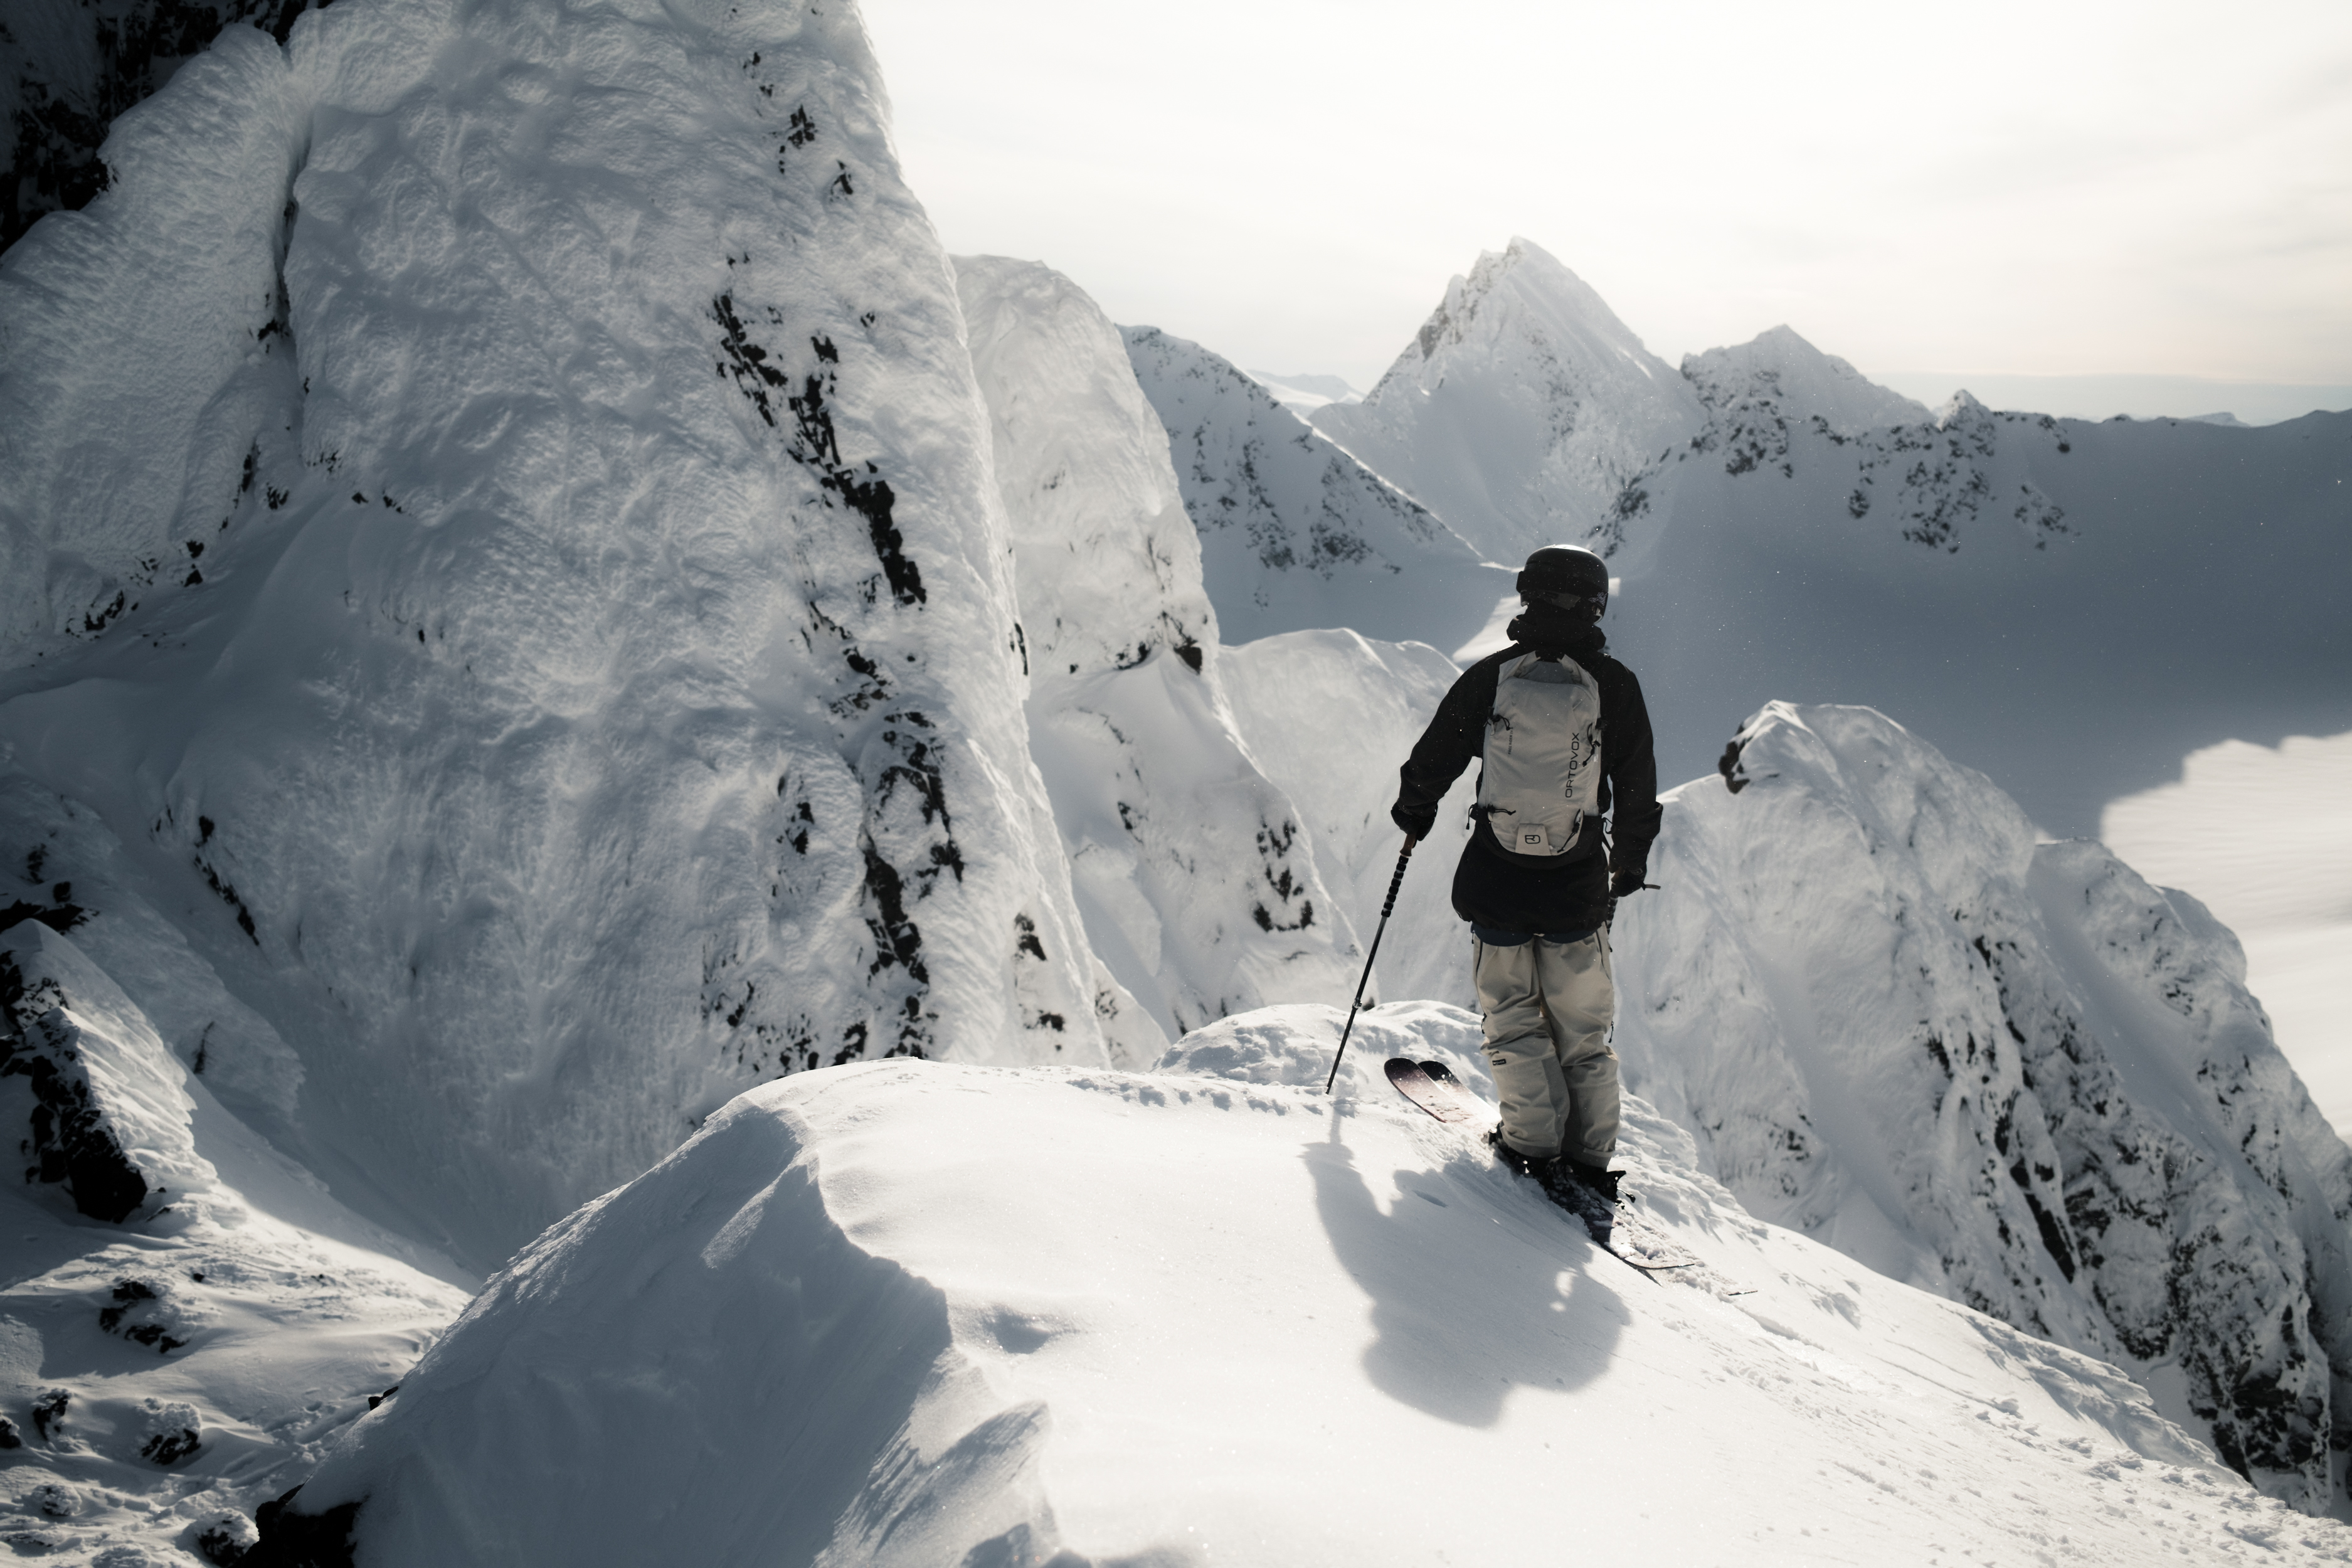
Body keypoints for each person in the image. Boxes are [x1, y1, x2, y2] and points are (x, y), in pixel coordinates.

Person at [1389, 544, 1660, 1225]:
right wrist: (1627, 865)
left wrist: (1414, 814)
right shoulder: (1614, 685)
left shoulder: (1492, 677)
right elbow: (1637, 783)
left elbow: (1434, 758)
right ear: (1597, 605)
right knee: (1584, 1031)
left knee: (1513, 1017)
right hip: (1577, 887)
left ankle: (1532, 1144)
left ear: (1526, 595)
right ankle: (1589, 1158)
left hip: (1497, 880)